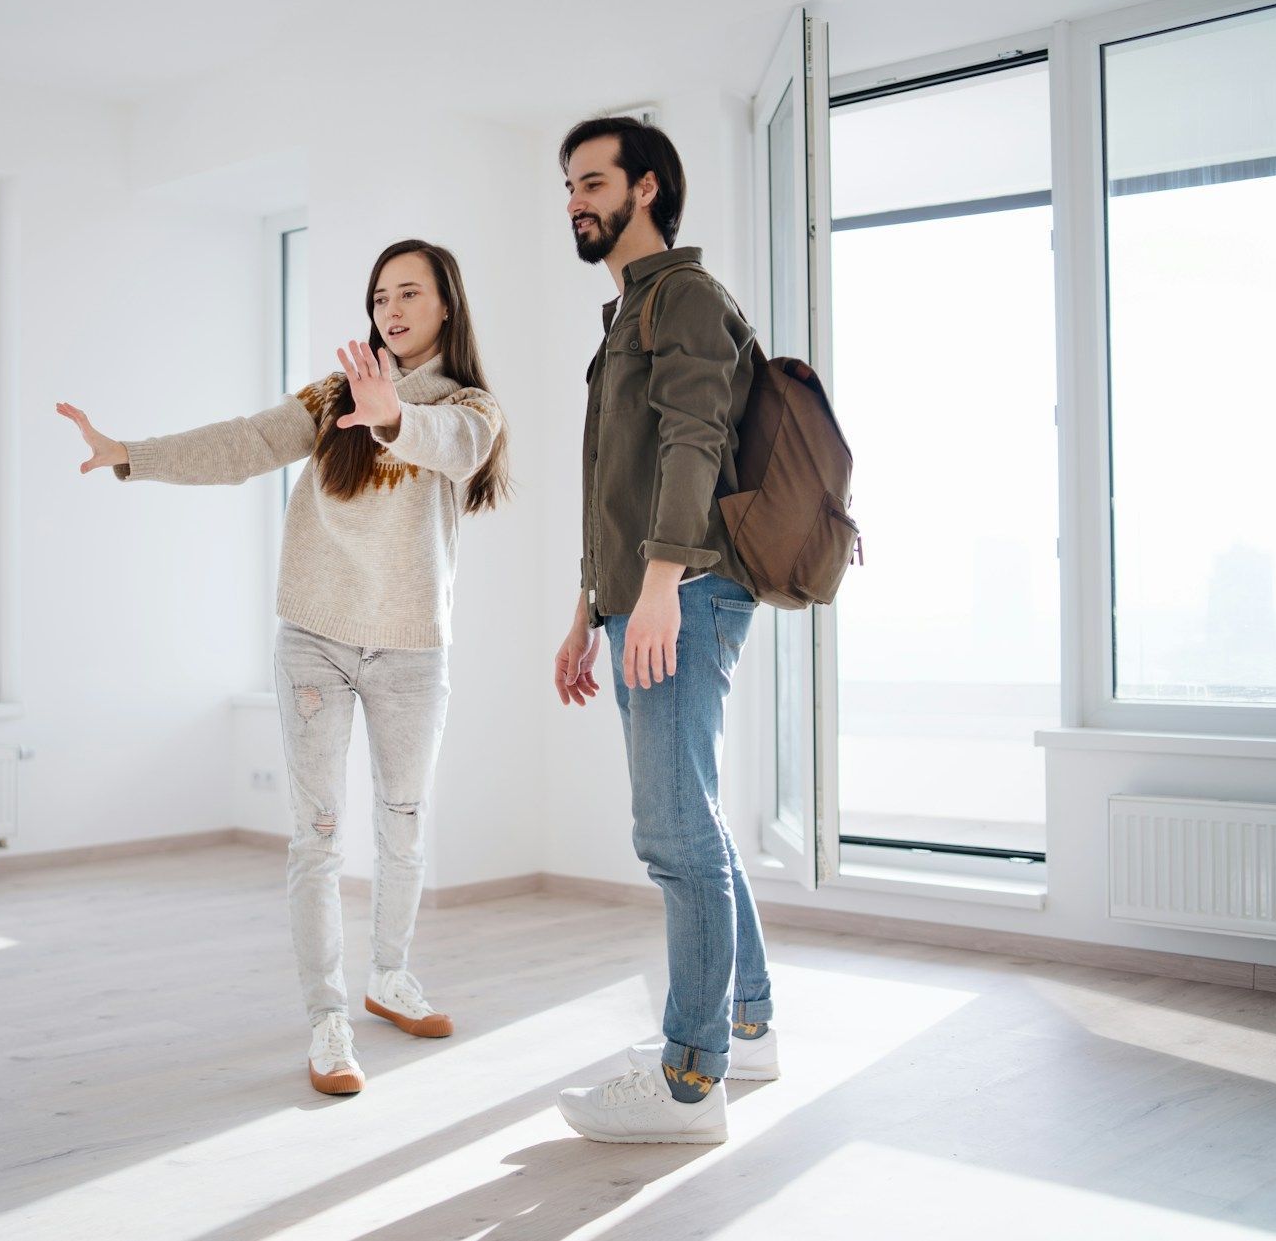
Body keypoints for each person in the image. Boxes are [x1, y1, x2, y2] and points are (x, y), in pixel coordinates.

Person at [56, 239, 509, 1096]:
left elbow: (454, 445)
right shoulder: (332, 396)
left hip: (413, 647)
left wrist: (393, 416)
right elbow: (245, 443)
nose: (391, 310)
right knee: (321, 834)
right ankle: (327, 1016)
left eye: (409, 293)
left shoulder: (474, 406)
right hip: (316, 639)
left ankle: (390, 976)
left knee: (404, 822)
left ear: (447, 304)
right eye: (380, 297)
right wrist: (128, 452)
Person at [548, 116, 778, 1145]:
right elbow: (618, 482)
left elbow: (694, 442)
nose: (575, 202)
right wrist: (586, 609)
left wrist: (658, 589)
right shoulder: (630, 311)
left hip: (681, 590)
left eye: (591, 182)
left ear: (646, 188)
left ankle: (692, 1079)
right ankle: (748, 1024)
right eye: (568, 186)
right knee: (697, 822)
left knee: (672, 835)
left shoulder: (682, 297)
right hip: (645, 590)